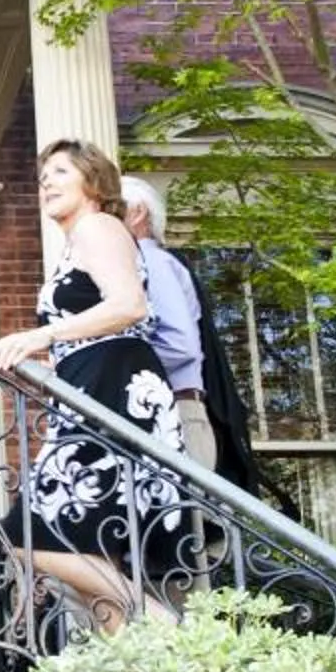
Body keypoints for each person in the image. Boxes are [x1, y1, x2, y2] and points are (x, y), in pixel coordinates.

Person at [0, 139, 197, 633]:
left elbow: (129, 305)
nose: (47, 183)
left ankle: (161, 622)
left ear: (94, 181)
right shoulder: (80, 239)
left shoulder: (98, 226)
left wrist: (41, 335)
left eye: (60, 172)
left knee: (29, 535)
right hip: (88, 388)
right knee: (91, 555)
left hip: (115, 389)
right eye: (43, 176)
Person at [118, 176, 219, 469]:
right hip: (162, 411)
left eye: (112, 209)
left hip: (175, 414)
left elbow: (179, 346)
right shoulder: (140, 263)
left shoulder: (151, 262)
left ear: (137, 213)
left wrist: (111, 366)